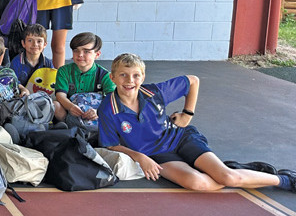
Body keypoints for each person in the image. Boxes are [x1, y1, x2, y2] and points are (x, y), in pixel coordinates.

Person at [99, 54, 296, 192]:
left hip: (180, 139)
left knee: (229, 178)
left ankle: (285, 179)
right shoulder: (108, 108)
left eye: (136, 75)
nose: (129, 80)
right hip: (156, 156)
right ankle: (231, 170)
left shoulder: (154, 92)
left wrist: (187, 114)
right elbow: (109, 144)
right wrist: (140, 157)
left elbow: (193, 80)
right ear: (113, 77)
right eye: (123, 74)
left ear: (143, 77)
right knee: (197, 183)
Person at [53, 32, 115, 122]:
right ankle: (68, 126)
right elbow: (60, 95)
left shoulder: (105, 75)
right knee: (55, 105)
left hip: (95, 115)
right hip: (71, 112)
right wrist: (71, 107)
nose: (80, 54)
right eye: (76, 50)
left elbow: (113, 99)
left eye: (86, 51)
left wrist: (98, 112)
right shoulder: (64, 71)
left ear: (97, 54)